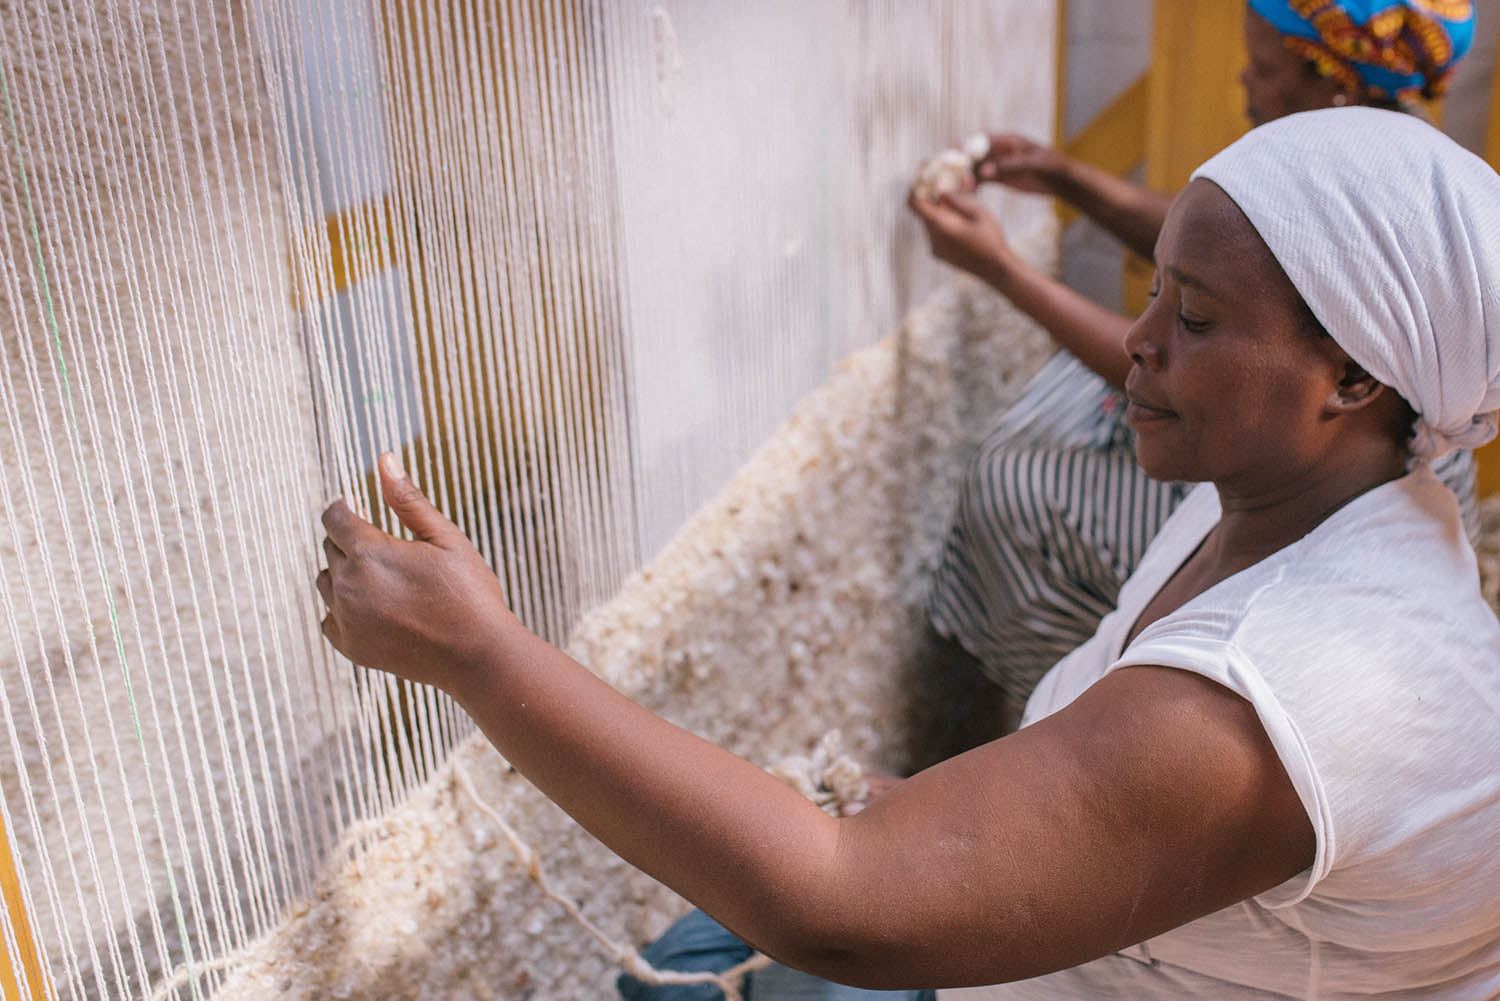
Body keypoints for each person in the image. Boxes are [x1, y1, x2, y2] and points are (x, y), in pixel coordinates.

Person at [317, 106, 1500, 999]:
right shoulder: (1285, 504)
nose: (1137, 344)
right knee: (692, 949)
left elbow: (844, 906)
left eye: (1192, 319)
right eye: (1155, 295)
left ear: (1353, 377)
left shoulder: (1289, 690)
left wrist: (481, 652)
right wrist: (934, 815)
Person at [912, 0, 1479, 731]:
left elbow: (1204, 336)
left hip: (1346, 465)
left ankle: (1086, 716)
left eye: (1264, 66)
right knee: (1061, 401)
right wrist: (1065, 177)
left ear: (1333, 80)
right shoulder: (1383, 154)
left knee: (1013, 487)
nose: (1244, 80)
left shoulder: (1363, 185)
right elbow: (1213, 256)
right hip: (1318, 440)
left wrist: (1004, 271)